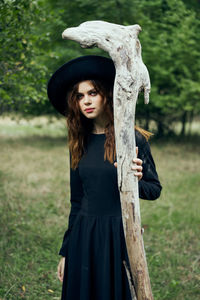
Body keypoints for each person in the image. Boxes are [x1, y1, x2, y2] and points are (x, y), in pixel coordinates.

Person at [47, 55, 162, 300]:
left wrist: (136, 180)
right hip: (83, 235)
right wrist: (66, 252)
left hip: (117, 235)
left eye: (93, 93)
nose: (86, 101)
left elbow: (154, 189)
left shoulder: (132, 138)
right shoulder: (80, 142)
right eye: (80, 96)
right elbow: (76, 200)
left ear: (107, 95)